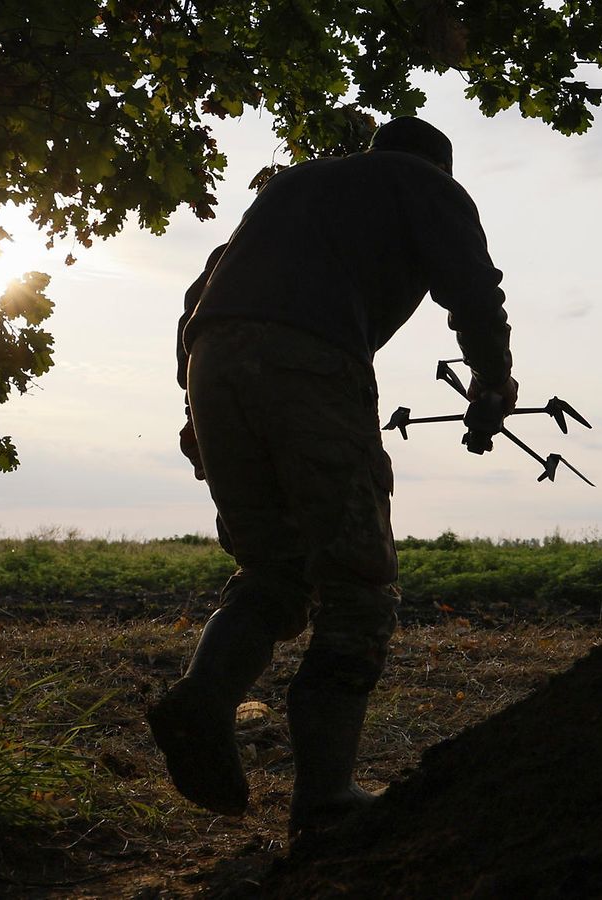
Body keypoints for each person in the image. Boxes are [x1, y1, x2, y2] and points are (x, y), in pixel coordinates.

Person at [146, 116, 517, 838]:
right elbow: (472, 287)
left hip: (212, 365)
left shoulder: (291, 189)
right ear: (436, 166)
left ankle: (203, 698)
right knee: (357, 584)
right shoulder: (424, 184)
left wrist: (197, 405)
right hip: (311, 363)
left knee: (273, 570)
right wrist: (493, 377)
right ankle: (325, 800)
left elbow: (202, 291)